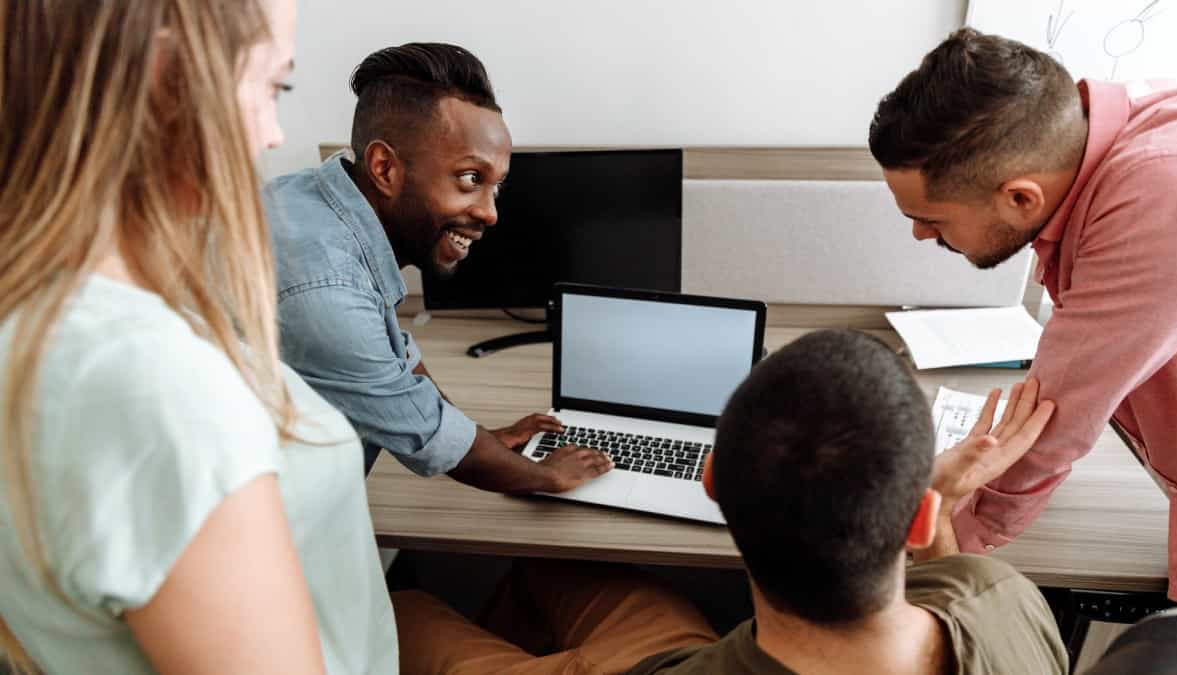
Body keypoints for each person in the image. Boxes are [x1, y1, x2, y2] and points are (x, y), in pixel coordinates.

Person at [0, 1, 398, 672]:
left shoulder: (49, 314)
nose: (274, 134)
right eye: (276, 87)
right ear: (167, 78)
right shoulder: (149, 380)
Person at [389, 330, 1068, 674]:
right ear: (918, 520)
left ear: (712, 482)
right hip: (707, 652)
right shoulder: (1004, 598)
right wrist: (938, 505)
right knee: (548, 571)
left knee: (405, 607)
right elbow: (948, 582)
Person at [868, 27, 1177, 602]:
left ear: (1021, 198)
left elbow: (1053, 419)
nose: (921, 235)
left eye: (933, 218)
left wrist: (937, 546)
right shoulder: (1118, 136)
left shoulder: (1166, 195)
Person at [264, 43, 611, 492]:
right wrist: (549, 476)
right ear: (384, 167)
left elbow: (397, 364)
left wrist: (479, 436)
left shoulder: (315, 201)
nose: (490, 213)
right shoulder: (328, 288)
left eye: (496, 187)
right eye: (470, 179)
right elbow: (432, 442)